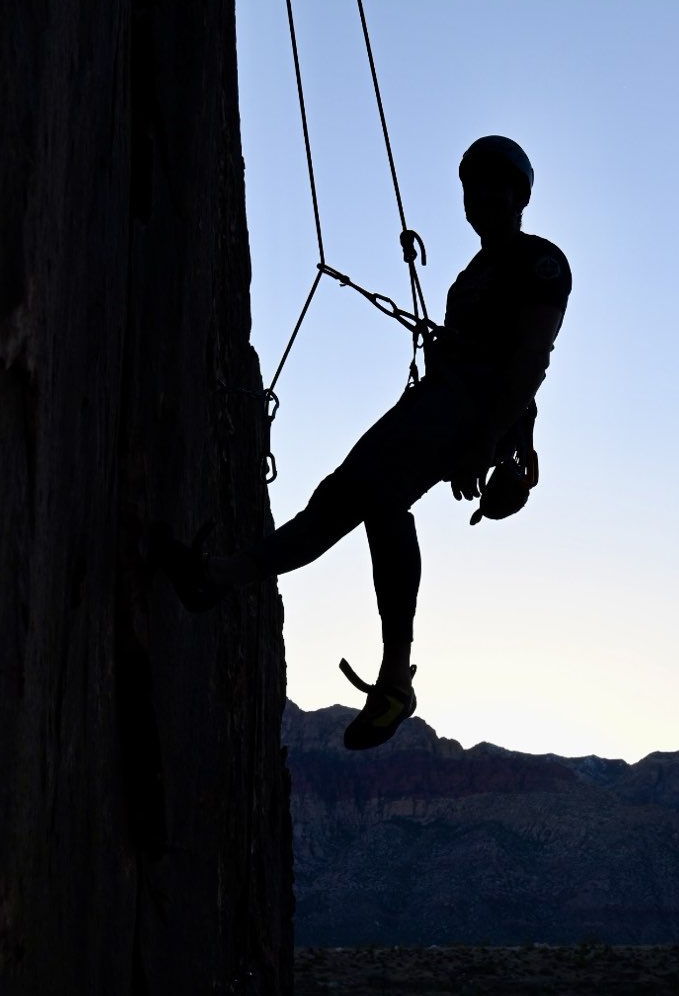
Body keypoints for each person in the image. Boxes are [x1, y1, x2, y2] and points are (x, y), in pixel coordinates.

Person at [153, 136, 571, 750]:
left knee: (378, 499)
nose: (480, 197)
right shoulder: (472, 277)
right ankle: (216, 578)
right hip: (437, 405)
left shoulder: (541, 264)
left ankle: (395, 675)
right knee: (341, 495)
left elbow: (529, 363)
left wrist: (484, 443)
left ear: (521, 197)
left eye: (494, 186)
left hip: (464, 414)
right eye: (472, 186)